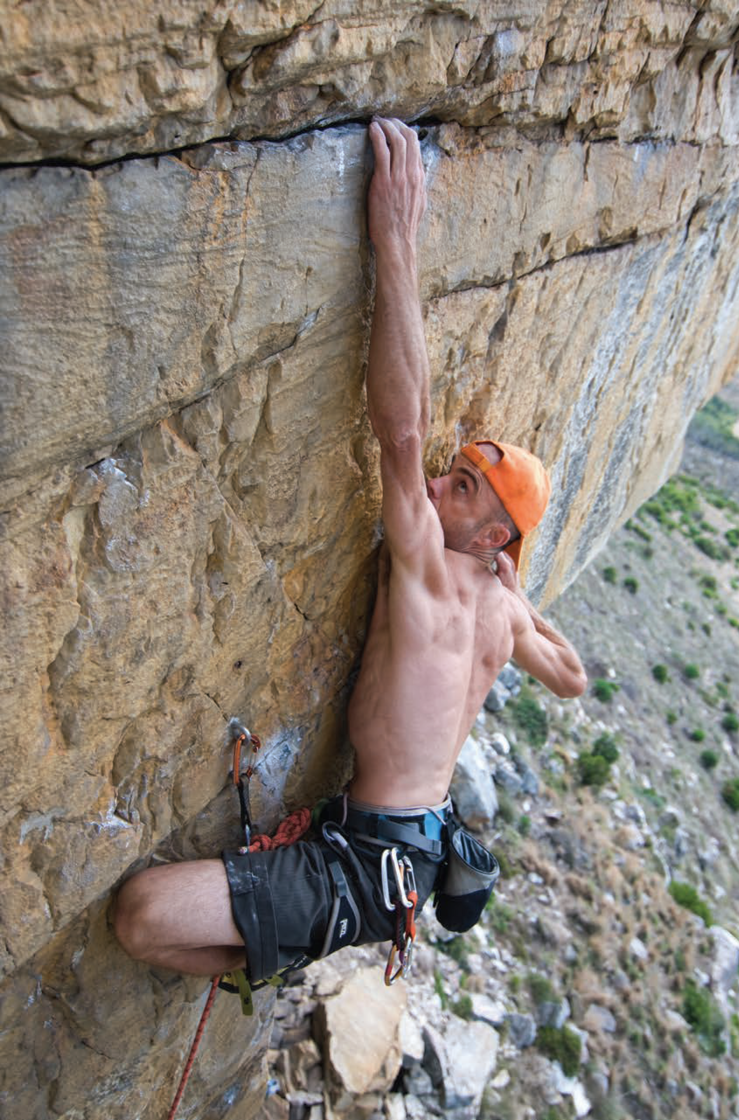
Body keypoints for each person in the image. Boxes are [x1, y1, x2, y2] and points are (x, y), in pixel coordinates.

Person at [114, 119, 586, 984]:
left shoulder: (434, 569)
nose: (443, 482)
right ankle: (293, 936)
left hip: (366, 863)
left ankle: (288, 950)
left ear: (488, 534)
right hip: (405, 856)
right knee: (166, 919)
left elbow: (399, 435)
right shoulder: (501, 602)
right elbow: (571, 676)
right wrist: (518, 591)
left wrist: (394, 241)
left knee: (143, 916)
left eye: (466, 487)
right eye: (458, 471)